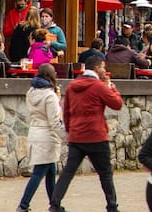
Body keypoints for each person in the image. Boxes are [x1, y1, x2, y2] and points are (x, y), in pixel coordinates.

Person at [49, 55, 123, 212]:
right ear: (96, 69)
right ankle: (112, 206)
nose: (105, 70)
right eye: (103, 67)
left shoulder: (71, 86)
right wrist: (111, 87)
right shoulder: (99, 86)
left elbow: (66, 112)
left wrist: (71, 131)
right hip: (96, 135)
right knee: (105, 173)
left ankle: (54, 204)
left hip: (77, 136)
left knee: (68, 172)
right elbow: (117, 104)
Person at [16, 63, 64, 212]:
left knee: (50, 172)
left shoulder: (31, 92)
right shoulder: (50, 96)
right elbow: (54, 120)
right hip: (47, 136)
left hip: (35, 132)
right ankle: (23, 205)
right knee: (38, 173)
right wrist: (67, 136)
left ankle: (54, 204)